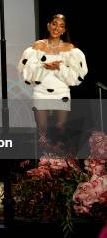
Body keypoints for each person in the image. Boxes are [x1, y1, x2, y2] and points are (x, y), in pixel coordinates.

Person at [18, 14, 88, 153]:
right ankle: (43, 160)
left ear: (64, 30)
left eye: (61, 26)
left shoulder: (69, 49)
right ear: (48, 25)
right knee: (42, 127)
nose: (57, 28)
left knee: (60, 127)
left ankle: (58, 160)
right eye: (54, 24)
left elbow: (76, 75)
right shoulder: (38, 46)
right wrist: (44, 66)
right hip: (41, 91)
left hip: (61, 92)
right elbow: (27, 71)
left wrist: (58, 67)